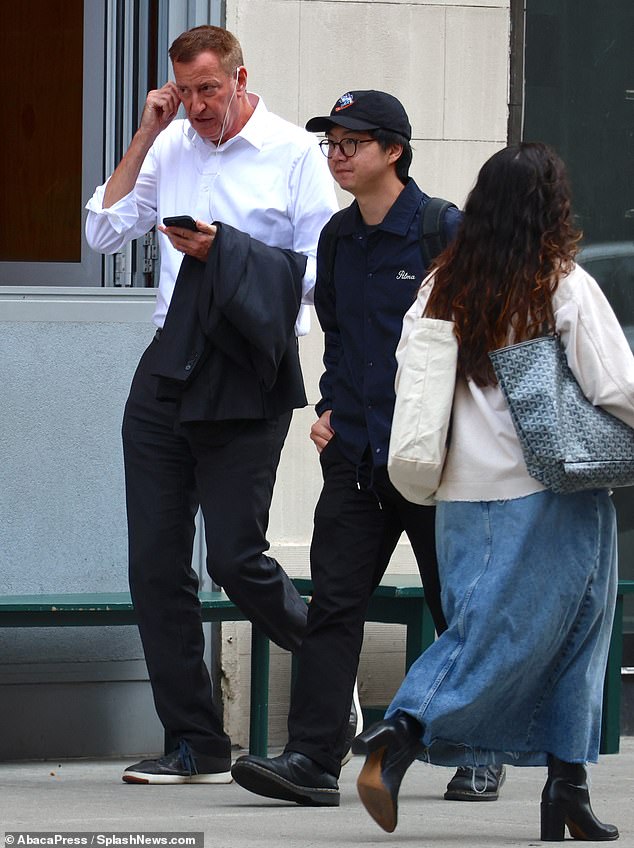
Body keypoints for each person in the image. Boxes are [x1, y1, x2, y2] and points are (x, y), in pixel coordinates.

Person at [351, 142, 633, 841]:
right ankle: (401, 734)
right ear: (550, 207)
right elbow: (616, 386)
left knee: (543, 631)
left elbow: (411, 385)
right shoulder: (557, 283)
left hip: (457, 492)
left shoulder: (441, 285)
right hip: (548, 492)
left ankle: (566, 789)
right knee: (539, 636)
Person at [231, 90, 504, 805]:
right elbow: (341, 343)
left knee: (460, 607)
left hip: (439, 462)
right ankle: (314, 762)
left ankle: (480, 749)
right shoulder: (335, 238)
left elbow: (485, 341)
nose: (338, 154)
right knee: (333, 608)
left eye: (353, 141)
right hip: (355, 459)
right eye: (332, 142)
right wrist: (327, 408)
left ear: (394, 151)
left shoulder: (443, 230)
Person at [85, 25, 339, 785]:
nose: (196, 107)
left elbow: (323, 269)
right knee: (155, 564)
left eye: (208, 91)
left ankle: (330, 672)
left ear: (239, 78)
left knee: (234, 557)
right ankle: (195, 741)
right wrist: (144, 134)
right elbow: (102, 232)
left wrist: (225, 253)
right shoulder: (171, 144)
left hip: (247, 365)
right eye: (184, 92)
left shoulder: (293, 153)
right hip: (170, 360)